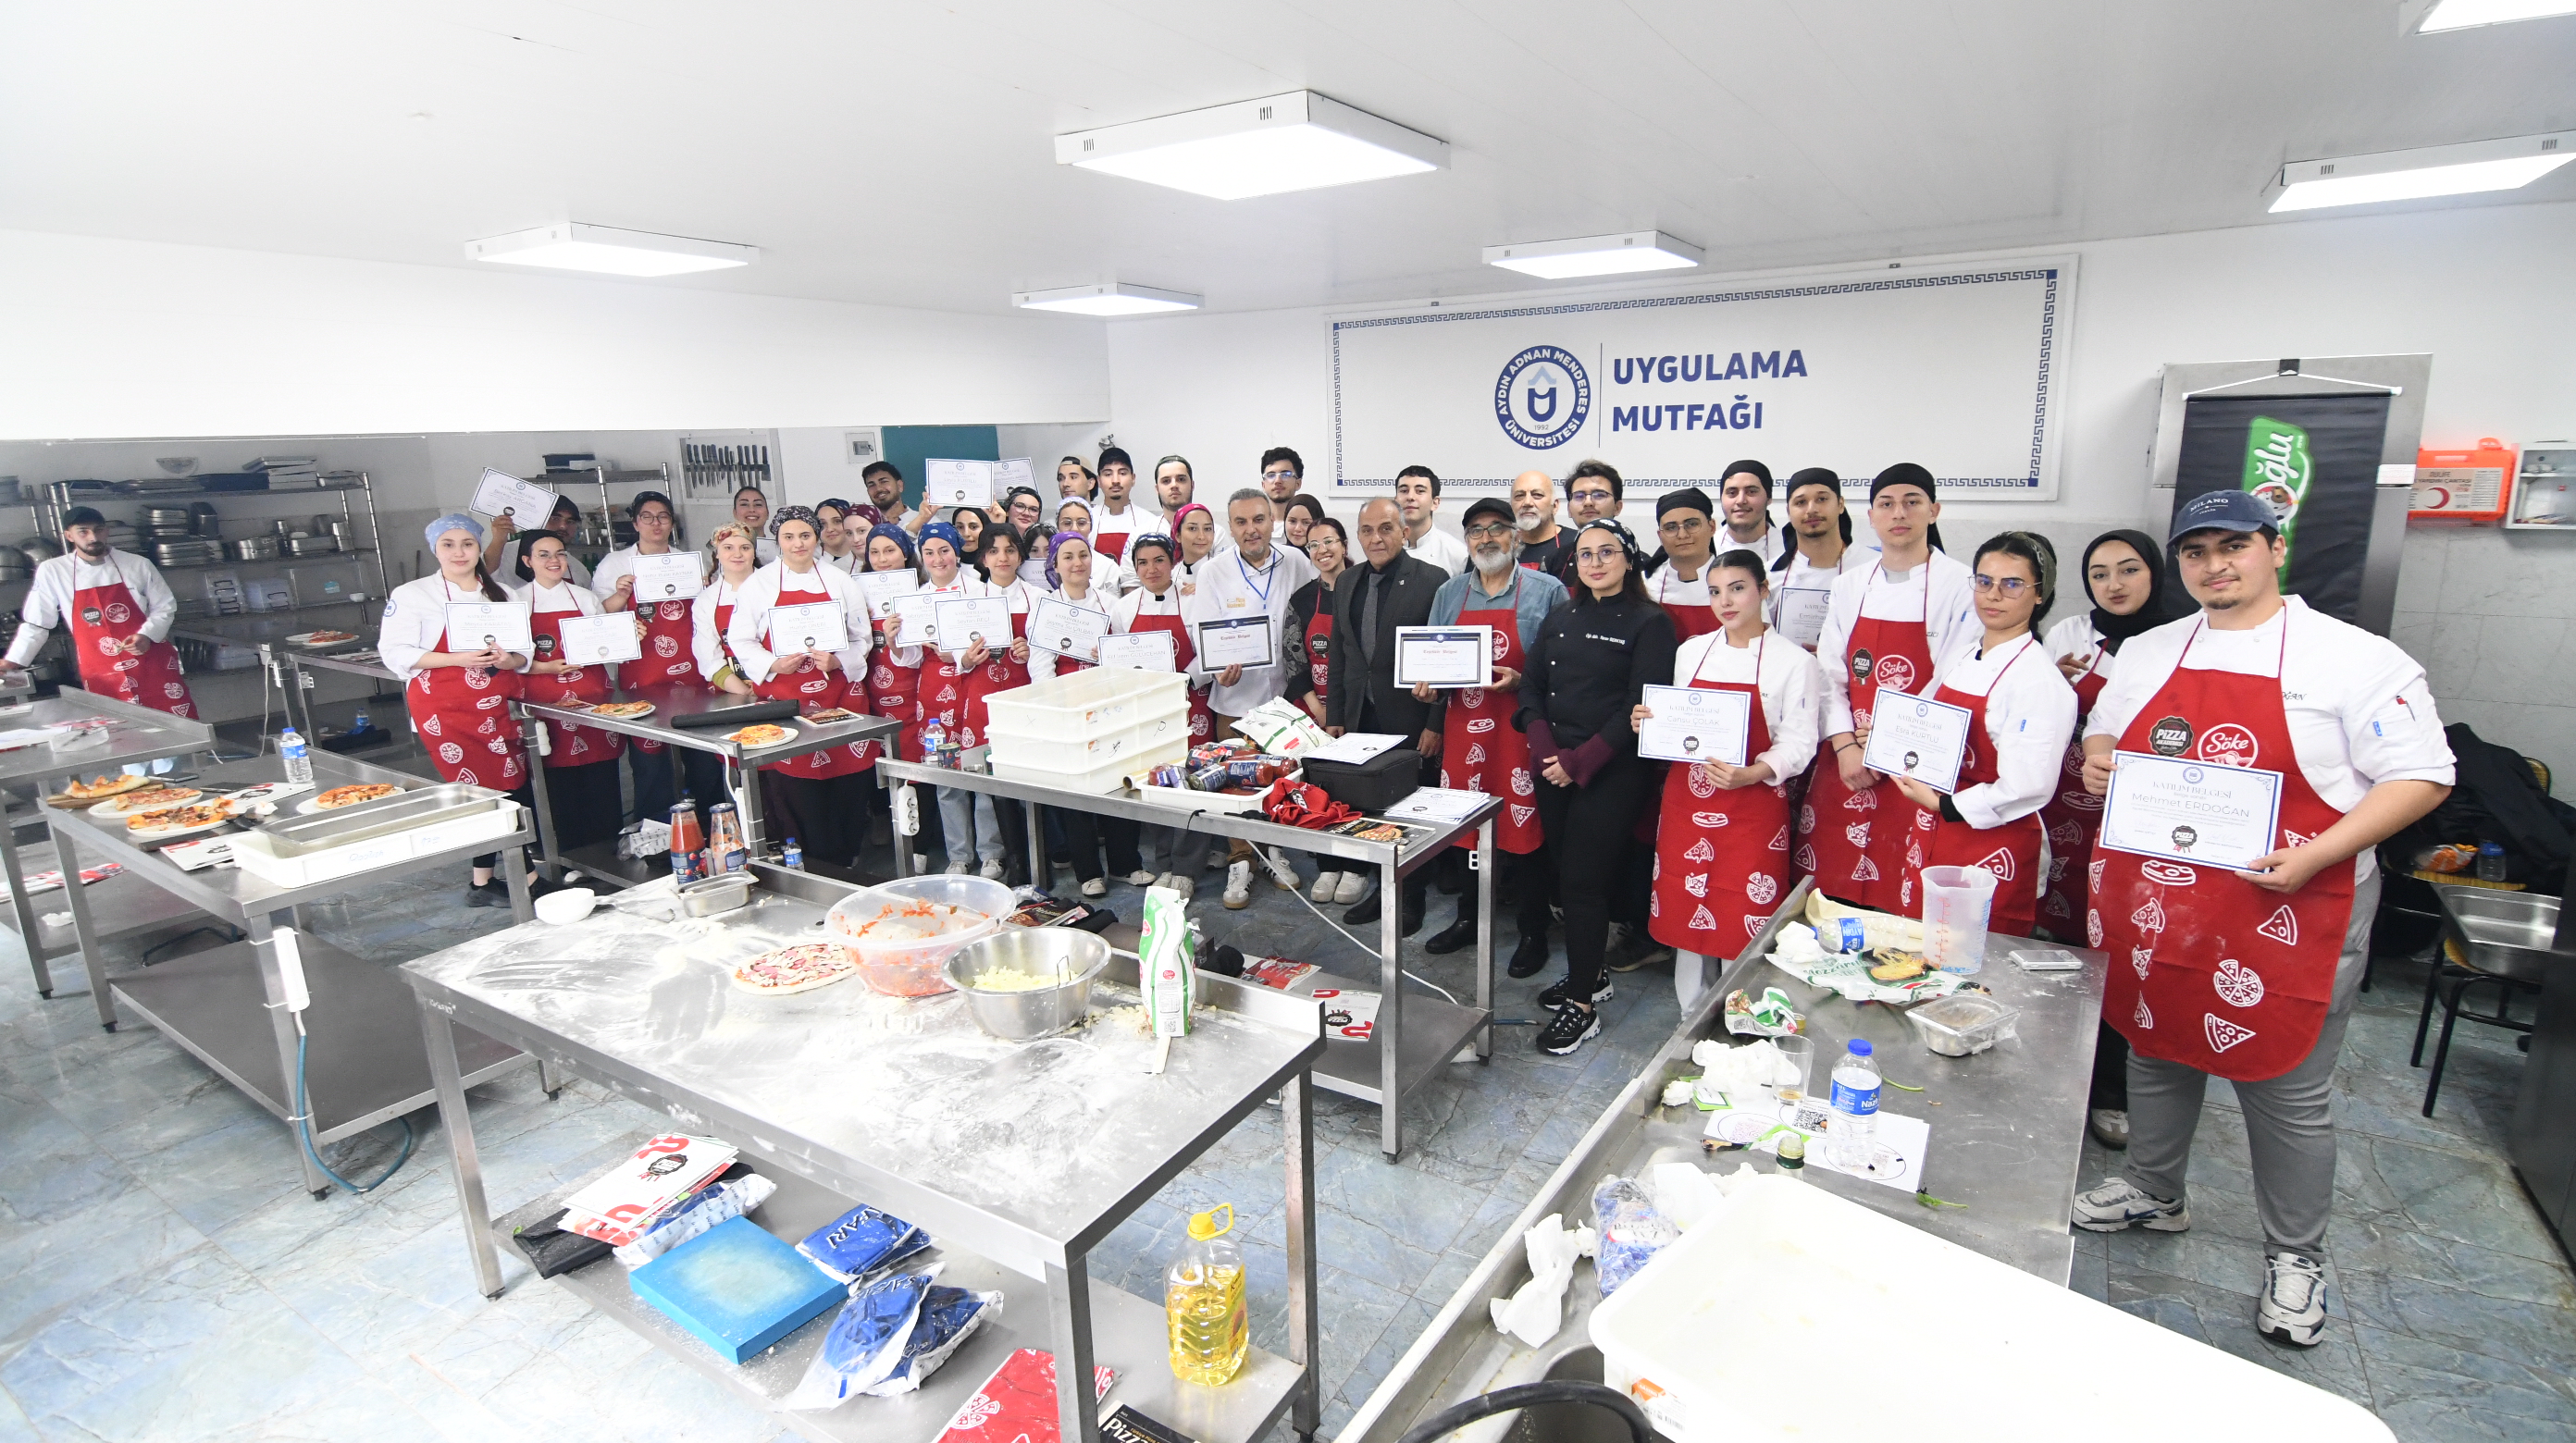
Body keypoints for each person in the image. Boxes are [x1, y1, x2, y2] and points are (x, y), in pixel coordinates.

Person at [2071, 489, 2454, 1350]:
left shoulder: (2354, 657)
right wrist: (2099, 763)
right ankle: (2154, 1189)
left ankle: (2295, 1255)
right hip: (2168, 895)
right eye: (2196, 552)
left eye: (2233, 546)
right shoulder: (2151, 651)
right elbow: (2105, 730)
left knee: (2286, 1085)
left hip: (2294, 905)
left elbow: (2422, 775)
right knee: (2157, 1046)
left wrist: (2318, 855)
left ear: (2273, 549)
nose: (2215, 565)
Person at [1517, 519, 1678, 1054]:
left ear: (1629, 559)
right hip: (1553, 766)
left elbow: (1639, 707)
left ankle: (1582, 1005)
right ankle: (1594, 973)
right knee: (1567, 877)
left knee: (1583, 883)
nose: (1595, 562)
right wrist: (1548, 753)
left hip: (1611, 769)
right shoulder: (1562, 616)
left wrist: (1578, 763)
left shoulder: (1651, 623)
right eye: (1585, 554)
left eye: (1607, 552)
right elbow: (1532, 689)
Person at [1635, 549, 1820, 1010]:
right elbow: (1680, 725)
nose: (1725, 602)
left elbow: (1800, 742)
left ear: (1763, 590)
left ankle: (1742, 1015)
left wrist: (1753, 773)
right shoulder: (1691, 652)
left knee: (1744, 909)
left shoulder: (1793, 662)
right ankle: (1690, 1011)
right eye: (1715, 592)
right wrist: (1649, 723)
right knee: (1687, 902)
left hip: (1753, 806)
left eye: (1737, 589)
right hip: (1688, 800)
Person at [2039, 527, 2174, 1151]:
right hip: (2067, 805)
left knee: (2125, 948)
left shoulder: (2181, 639)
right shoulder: (2067, 635)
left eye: (2128, 570)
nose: (2113, 584)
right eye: (2099, 574)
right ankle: (2053, 1072)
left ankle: (2115, 1088)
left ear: (2155, 573)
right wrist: (2052, 683)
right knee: (2062, 945)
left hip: (2142, 812)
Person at [1881, 532, 2078, 939]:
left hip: (1990, 845)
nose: (1994, 594)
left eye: (2012, 584)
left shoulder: (2039, 681)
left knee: (1971, 958)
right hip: (1932, 827)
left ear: (2040, 594)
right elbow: (1925, 714)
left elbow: (2027, 786)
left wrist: (1946, 805)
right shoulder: (1962, 654)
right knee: (1915, 948)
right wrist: (1888, 736)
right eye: (1985, 581)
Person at [1801, 463, 1978, 913]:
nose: (1899, 513)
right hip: (1848, 760)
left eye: (1912, 502)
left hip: (1918, 765)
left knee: (1905, 896)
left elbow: (1953, 678)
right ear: (1870, 516)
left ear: (1934, 511)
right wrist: (1846, 746)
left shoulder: (1962, 585)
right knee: (1833, 893)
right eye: (1886, 504)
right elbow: (1829, 674)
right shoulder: (1849, 585)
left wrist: (1890, 743)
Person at [1418, 498, 1568, 975]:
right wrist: (1428, 687)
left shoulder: (1546, 590)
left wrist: (1524, 681)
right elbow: (1432, 658)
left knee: (1526, 829)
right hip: (1465, 729)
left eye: (1496, 528)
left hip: (1524, 730)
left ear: (1516, 536)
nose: (1486, 539)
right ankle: (1468, 918)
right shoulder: (1450, 593)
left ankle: (1532, 930)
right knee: (1465, 828)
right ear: (1467, 541)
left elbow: (1565, 666)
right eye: (1476, 531)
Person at [379, 515, 545, 906]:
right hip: (447, 710)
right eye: (448, 544)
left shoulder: (503, 594)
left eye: (467, 544)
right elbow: (395, 653)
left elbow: (524, 653)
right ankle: (530, 881)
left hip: (499, 705)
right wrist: (457, 658)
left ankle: (482, 883)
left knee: (503, 788)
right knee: (493, 794)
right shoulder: (413, 594)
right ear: (435, 550)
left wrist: (508, 659)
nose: (459, 552)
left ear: (479, 547)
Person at [725, 508, 878, 870]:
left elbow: (862, 637)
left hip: (840, 698)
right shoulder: (759, 585)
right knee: (798, 788)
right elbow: (740, 639)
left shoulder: (840, 581)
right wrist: (773, 664)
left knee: (848, 782)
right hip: (786, 699)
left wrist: (838, 661)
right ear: (778, 541)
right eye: (789, 537)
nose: (798, 544)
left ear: (816, 537)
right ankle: (810, 864)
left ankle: (848, 859)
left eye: (805, 535)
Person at [1325, 499, 1447, 931]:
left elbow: (1443, 656)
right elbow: (1340, 651)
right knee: (1369, 810)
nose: (1376, 538)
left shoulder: (1433, 580)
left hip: (1410, 717)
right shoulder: (1347, 580)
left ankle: (1411, 899)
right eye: (1367, 530)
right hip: (1360, 716)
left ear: (1405, 532)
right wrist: (1335, 713)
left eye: (1386, 528)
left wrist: (1435, 722)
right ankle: (1382, 889)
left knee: (1411, 812)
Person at [1191, 490, 1319, 906]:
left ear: (1272, 522)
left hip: (1285, 700)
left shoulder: (1295, 561)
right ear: (1230, 527)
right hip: (1235, 698)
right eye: (1242, 522)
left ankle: (1274, 852)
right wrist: (1217, 668)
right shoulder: (1213, 571)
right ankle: (1241, 860)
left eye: (1259, 520)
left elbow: (1311, 616)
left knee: (1281, 780)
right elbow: (1203, 631)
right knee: (1235, 785)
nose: (1252, 530)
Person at [589, 490, 726, 827]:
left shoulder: (688, 563)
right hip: (643, 674)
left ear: (671, 523)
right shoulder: (614, 564)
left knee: (704, 758)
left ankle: (713, 832)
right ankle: (653, 836)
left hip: (693, 672)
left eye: (663, 516)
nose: (656, 523)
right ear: (635, 523)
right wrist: (621, 598)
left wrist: (707, 586)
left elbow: (708, 614)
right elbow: (596, 621)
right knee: (651, 763)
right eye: (647, 517)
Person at [886, 523, 1009, 878]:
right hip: (934, 695)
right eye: (929, 552)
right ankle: (959, 855)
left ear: (957, 552)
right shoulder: (914, 601)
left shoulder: (981, 591)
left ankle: (992, 853)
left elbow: (995, 644)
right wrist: (894, 641)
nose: (937, 559)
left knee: (980, 771)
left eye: (944, 550)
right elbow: (911, 658)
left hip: (976, 688)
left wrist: (961, 657)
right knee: (946, 775)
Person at [2, 505, 196, 717]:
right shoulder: (54, 571)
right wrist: (14, 660)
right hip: (101, 669)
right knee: (118, 727)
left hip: (151, 662)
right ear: (69, 536)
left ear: (106, 531)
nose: (93, 537)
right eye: (83, 531)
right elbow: (37, 623)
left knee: (177, 722)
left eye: (98, 530)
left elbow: (165, 606)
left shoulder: (138, 564)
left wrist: (147, 635)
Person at [1032, 531, 1143, 897]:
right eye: (1068, 557)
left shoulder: (1112, 605)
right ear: (1055, 564)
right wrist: (1061, 706)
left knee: (1119, 785)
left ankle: (1126, 864)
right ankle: (1088, 871)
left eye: (1083, 554)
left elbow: (1128, 655)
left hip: (1110, 707)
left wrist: (1107, 657)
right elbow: (1040, 666)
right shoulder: (1046, 608)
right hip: (1069, 709)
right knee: (1077, 790)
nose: (1077, 563)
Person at [512, 533, 627, 854]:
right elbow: (510, 658)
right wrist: (545, 668)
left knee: (601, 775)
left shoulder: (584, 598)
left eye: (560, 554)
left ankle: (608, 849)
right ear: (527, 561)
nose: (554, 561)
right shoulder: (516, 602)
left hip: (592, 698)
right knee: (558, 778)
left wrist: (626, 636)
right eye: (544, 554)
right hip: (545, 701)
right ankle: (567, 853)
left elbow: (607, 642)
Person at [1115, 534, 1215, 898]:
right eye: (1142, 562)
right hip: (1147, 709)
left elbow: (1208, 649)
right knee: (1154, 782)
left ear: (1172, 561)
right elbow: (1118, 658)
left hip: (1190, 702)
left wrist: (1184, 679)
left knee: (1190, 782)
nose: (1151, 569)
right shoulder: (1124, 608)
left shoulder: (1193, 600)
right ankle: (1165, 863)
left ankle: (1187, 868)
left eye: (1159, 560)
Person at [857, 521, 929, 866]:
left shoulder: (921, 593)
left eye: (890, 550)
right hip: (869, 694)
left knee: (916, 766)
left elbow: (919, 654)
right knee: (876, 766)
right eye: (875, 552)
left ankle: (921, 842)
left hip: (912, 693)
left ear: (905, 554)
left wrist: (895, 638)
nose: (882, 559)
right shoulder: (856, 595)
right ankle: (884, 821)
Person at [1767, 468, 1868, 650]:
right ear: (1788, 512)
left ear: (1840, 504)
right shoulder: (1769, 575)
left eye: (1822, 499)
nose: (1812, 509)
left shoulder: (1873, 567)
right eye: (1801, 502)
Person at [1644, 487, 1725, 644]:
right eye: (1671, 528)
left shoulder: (1737, 582)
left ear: (1712, 527)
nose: (1682, 535)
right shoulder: (1646, 585)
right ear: (1660, 536)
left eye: (1692, 524)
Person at [489, 493, 596, 589]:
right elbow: (484, 575)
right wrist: (498, 539)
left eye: (570, 521)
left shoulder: (579, 570)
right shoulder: (506, 553)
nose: (563, 526)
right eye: (555, 519)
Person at [1394, 465, 1467, 577]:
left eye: (1420, 491)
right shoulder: (1383, 548)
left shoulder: (1457, 554)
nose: (1410, 497)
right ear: (1395, 501)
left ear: (1435, 503)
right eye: (1404, 491)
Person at [1715, 460, 1786, 568]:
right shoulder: (1705, 547)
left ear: (1769, 498)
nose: (1740, 500)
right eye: (1732, 493)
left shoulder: (1789, 548)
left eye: (1751, 492)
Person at [1091, 447, 1151, 568]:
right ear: (1099, 481)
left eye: (1122, 473)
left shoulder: (1149, 522)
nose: (1115, 481)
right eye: (1108, 474)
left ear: (1133, 478)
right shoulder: (1087, 520)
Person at [1510, 470, 1576, 579]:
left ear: (1555, 506)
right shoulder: (1501, 548)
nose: (1527, 502)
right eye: (1519, 495)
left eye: (1537, 495)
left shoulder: (1577, 543)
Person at [1259, 448, 1304, 541]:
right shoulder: (1255, 526)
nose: (1278, 481)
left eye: (1285, 474)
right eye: (1271, 475)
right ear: (1263, 485)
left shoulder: (1309, 526)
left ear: (1298, 483)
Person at [815, 499, 861, 573]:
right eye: (822, 524)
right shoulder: (809, 559)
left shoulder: (865, 558)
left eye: (837, 521)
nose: (830, 529)